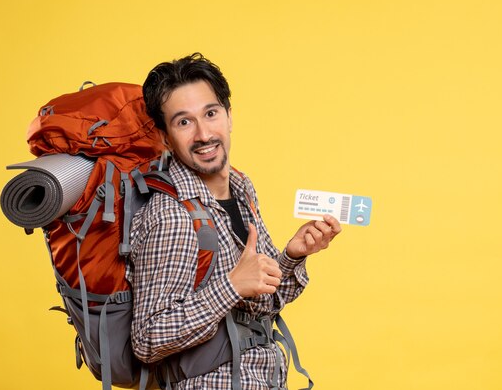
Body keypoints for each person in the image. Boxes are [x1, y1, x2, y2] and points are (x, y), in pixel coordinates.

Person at [128, 53, 342, 390]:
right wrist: (230, 286)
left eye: (210, 114)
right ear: (165, 137)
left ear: (229, 116)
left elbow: (264, 302)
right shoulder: (171, 214)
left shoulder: (242, 191)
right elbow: (148, 339)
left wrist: (293, 255)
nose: (203, 134)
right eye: (184, 122)